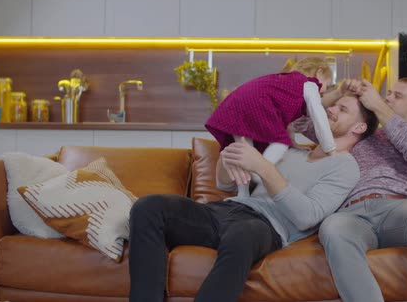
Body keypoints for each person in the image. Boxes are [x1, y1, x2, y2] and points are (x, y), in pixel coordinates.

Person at [128, 94, 379, 302]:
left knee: (243, 233)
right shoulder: (292, 151)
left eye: (342, 109)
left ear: (359, 127)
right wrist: (231, 153)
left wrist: (263, 167)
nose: (331, 109)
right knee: (149, 207)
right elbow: (224, 183)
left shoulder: (345, 166)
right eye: (333, 105)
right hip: (226, 210)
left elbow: (307, 217)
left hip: (267, 226)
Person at [295, 78, 407, 302]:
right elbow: (300, 121)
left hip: (397, 210)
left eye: (398, 96)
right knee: (332, 227)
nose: (387, 97)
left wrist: (378, 105)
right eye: (387, 93)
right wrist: (339, 94)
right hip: (352, 214)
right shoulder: (360, 134)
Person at [205, 57, 337, 197]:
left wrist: (294, 143)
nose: (322, 94)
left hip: (237, 102)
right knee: (279, 143)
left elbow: (285, 121)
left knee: (244, 151)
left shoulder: (285, 82)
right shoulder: (310, 85)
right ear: (319, 72)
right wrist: (330, 148)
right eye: (326, 87)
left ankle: (243, 195)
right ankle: (259, 172)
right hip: (256, 104)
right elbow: (319, 116)